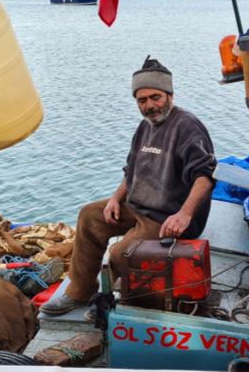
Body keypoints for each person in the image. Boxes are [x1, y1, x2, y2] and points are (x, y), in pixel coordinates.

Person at [40, 57, 216, 316]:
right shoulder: (145, 127)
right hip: (137, 205)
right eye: (142, 100)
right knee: (89, 216)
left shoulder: (187, 126)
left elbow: (206, 176)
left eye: (155, 97)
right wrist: (115, 198)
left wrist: (185, 214)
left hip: (166, 216)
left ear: (169, 95)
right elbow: (131, 170)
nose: (149, 106)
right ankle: (79, 292)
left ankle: (106, 300)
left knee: (120, 253)